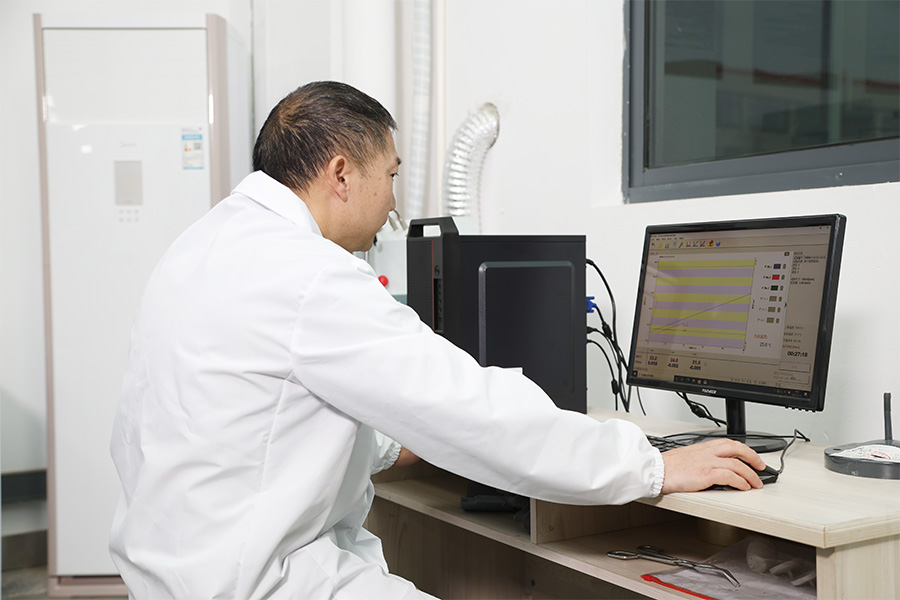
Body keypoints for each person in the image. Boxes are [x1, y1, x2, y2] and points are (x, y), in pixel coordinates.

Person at [109, 81, 766, 600]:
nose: (394, 203)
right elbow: (474, 409)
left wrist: (394, 444)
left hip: (175, 571)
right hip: (257, 581)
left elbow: (244, 421)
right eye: (391, 176)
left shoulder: (203, 246)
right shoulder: (310, 276)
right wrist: (653, 467)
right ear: (341, 174)